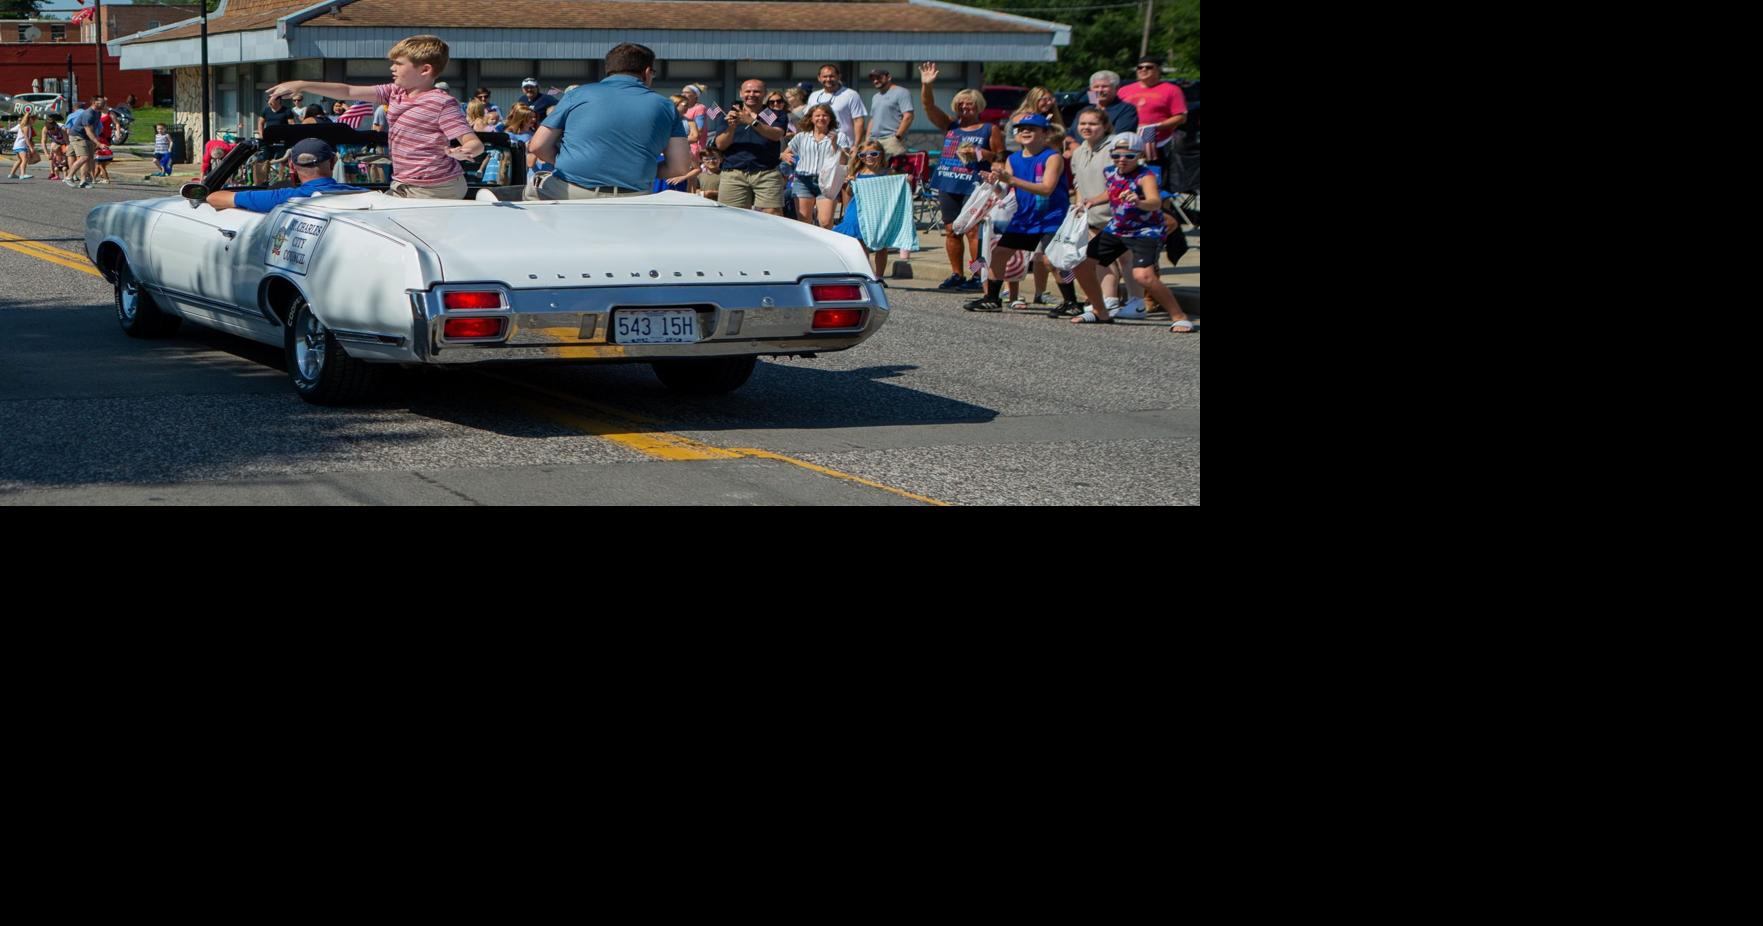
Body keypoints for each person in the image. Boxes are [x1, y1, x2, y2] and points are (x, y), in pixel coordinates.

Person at [269, 34, 484, 200]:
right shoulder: (395, 92)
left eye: (399, 63)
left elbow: (474, 143)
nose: (392, 68)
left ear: (425, 69)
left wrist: (465, 150)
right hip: (404, 183)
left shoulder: (441, 102)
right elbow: (348, 91)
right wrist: (303, 85)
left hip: (436, 188)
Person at [964, 113, 1097, 318]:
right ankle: (992, 299)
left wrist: (1012, 180)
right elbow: (1007, 191)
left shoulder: (1052, 157)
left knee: (1052, 260)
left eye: (1032, 128)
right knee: (999, 254)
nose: (1025, 131)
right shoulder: (1013, 159)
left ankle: (1071, 302)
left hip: (1051, 216)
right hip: (1024, 218)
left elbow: (1046, 189)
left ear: (1045, 133)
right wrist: (994, 182)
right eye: (1022, 128)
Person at [529, 42, 690, 200]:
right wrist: (639, 170)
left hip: (570, 192)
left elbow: (537, 146)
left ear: (609, 70)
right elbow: (679, 167)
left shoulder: (576, 95)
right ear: (647, 72)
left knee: (530, 191)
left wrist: (564, 162)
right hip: (634, 198)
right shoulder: (666, 106)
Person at [1066, 135, 1194, 330]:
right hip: (1117, 227)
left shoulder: (1146, 176)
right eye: (1116, 155)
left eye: (1129, 156)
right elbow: (1112, 192)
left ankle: (1179, 316)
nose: (1121, 160)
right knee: (1081, 265)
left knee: (1143, 276)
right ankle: (1101, 311)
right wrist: (1092, 200)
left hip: (1144, 230)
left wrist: (1138, 201)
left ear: (1139, 155)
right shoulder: (1110, 172)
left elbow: (1155, 202)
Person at [918, 62, 1004, 291]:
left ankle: (976, 276)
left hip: (974, 185)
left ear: (979, 106)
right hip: (948, 182)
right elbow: (928, 106)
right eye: (961, 105)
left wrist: (977, 153)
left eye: (970, 105)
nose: (966, 108)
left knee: (973, 230)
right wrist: (927, 85)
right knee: (951, 230)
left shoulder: (988, 129)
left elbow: (999, 155)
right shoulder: (951, 125)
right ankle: (956, 273)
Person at [206, 138, 366, 213]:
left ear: (292, 166)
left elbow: (213, 198)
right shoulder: (363, 195)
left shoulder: (282, 197)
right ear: (332, 162)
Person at [712, 78, 788, 214]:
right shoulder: (730, 115)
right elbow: (720, 145)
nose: (751, 94)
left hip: (766, 172)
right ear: (741, 93)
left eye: (757, 91)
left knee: (772, 215)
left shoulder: (773, 114)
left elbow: (776, 135)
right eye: (748, 91)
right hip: (734, 173)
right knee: (732, 217)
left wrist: (752, 122)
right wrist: (732, 127)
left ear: (765, 94)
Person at [1118, 55, 1187, 189]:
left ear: (1158, 70)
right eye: (1140, 67)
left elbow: (1181, 117)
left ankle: (1161, 208)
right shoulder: (1123, 90)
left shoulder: (1171, 90)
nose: (1143, 69)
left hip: (1157, 145)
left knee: (1158, 184)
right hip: (1127, 146)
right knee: (1127, 182)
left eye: (1149, 67)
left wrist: (1155, 127)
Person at [782, 103, 851, 227]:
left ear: (830, 118)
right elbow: (785, 153)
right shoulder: (801, 136)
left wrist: (835, 146)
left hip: (827, 181)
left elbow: (844, 161)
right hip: (803, 180)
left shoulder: (839, 136)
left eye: (825, 115)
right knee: (804, 222)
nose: (821, 118)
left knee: (825, 222)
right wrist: (784, 156)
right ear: (811, 118)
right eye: (817, 115)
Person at [1067, 71, 1137, 145]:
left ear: (1116, 88)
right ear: (1091, 90)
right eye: (1096, 87)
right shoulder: (1084, 111)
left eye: (1105, 87)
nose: (1100, 90)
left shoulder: (1127, 109)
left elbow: (1119, 137)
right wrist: (1073, 146)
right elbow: (1070, 134)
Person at [807, 64, 866, 144]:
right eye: (825, 76)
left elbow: (858, 121)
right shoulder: (814, 96)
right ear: (819, 78)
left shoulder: (851, 95)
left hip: (844, 145)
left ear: (839, 77)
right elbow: (808, 120)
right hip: (818, 144)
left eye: (832, 76)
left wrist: (856, 145)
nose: (828, 79)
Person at [866, 68, 914, 157]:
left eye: (879, 77)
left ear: (889, 77)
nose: (875, 81)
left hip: (891, 141)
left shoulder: (902, 92)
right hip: (874, 142)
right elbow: (872, 119)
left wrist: (897, 137)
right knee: (873, 170)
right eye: (873, 79)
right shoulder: (875, 97)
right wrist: (867, 138)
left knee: (894, 170)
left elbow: (908, 116)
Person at [63, 98, 103, 188]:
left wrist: (96, 140)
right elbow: (88, 130)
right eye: (100, 102)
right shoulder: (88, 114)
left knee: (87, 158)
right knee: (84, 157)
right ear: (93, 102)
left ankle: (83, 181)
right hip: (78, 136)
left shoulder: (98, 113)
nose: (103, 104)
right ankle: (69, 177)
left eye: (104, 102)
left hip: (86, 137)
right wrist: (99, 143)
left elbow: (95, 128)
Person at [8, 109, 36, 179]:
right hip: (21, 145)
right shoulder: (26, 127)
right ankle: (23, 174)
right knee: (24, 159)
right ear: (30, 119)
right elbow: (26, 138)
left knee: (19, 160)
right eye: (35, 119)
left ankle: (12, 174)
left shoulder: (25, 126)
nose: (35, 121)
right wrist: (31, 147)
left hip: (17, 145)